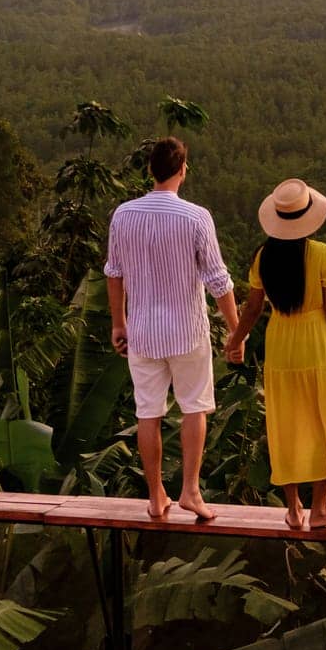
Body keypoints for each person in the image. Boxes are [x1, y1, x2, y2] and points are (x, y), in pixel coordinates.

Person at [106, 136, 239, 521]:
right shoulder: (196, 217)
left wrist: (119, 322)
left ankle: (155, 495)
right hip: (187, 330)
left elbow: (113, 273)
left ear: (151, 170)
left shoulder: (123, 214)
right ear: (183, 169)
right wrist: (235, 330)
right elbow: (218, 280)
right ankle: (191, 491)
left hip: (142, 330)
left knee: (148, 412)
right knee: (194, 408)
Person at [224, 177, 326, 530]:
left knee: (285, 423)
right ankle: (321, 509)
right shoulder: (323, 254)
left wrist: (235, 339)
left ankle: (294, 509)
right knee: (324, 418)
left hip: (280, 343)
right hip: (315, 342)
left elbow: (251, 309)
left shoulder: (263, 257)